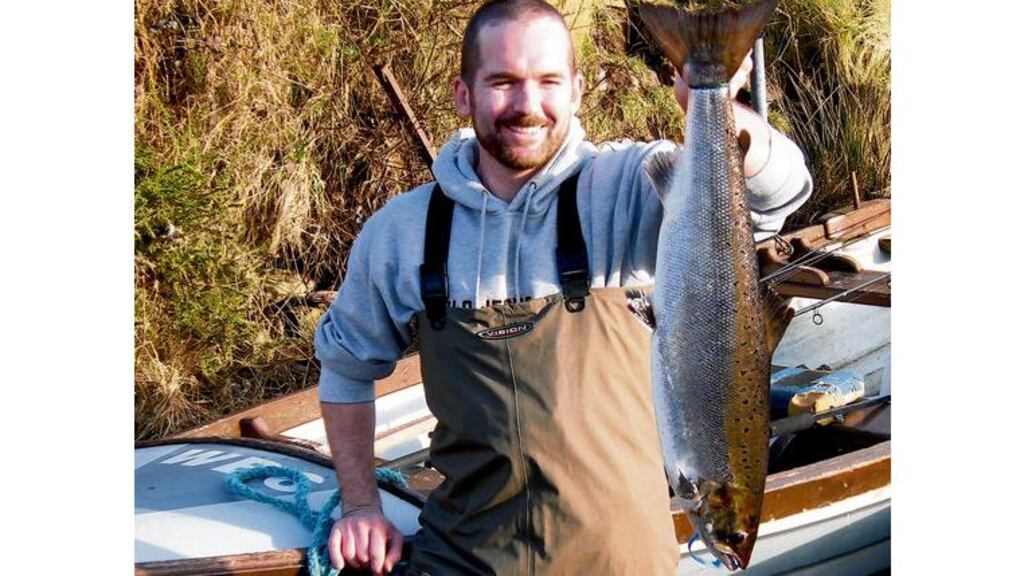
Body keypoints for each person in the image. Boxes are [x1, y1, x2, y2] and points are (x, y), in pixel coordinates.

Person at [314, 1, 812, 574]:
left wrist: (716, 104)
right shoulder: (401, 234)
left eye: (547, 82)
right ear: (462, 94)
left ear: (576, 91)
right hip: (461, 561)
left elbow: (780, 194)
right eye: (503, 82)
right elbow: (347, 369)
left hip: (624, 562)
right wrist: (359, 505)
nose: (527, 106)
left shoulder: (627, 188)